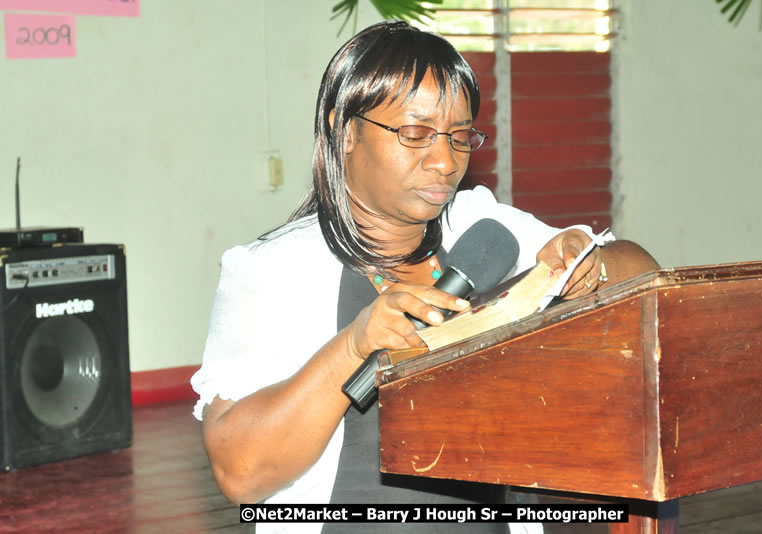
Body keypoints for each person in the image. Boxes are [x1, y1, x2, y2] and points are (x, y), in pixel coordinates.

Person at [191, 20, 659, 534]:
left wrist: (595, 265)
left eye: (460, 136)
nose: (444, 161)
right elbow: (239, 472)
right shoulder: (273, 269)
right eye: (415, 134)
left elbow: (646, 280)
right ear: (345, 131)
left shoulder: (484, 229)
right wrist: (353, 346)